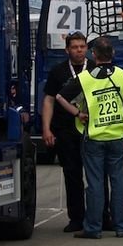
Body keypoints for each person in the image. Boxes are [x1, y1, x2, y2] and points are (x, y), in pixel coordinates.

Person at [55, 36, 123, 238]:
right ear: (113, 55)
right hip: (117, 134)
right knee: (117, 182)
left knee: (95, 183)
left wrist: (77, 113)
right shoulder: (122, 75)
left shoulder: (85, 78)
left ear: (94, 55)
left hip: (93, 135)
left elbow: (60, 97)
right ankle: (121, 226)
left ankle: (93, 227)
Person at [41, 31, 92, 233]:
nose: (79, 50)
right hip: (65, 129)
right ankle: (76, 218)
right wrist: (46, 129)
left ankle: (101, 215)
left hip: (92, 130)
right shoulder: (58, 72)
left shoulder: (95, 69)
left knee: (96, 174)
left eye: (82, 47)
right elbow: (49, 100)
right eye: (75, 47)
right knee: (72, 174)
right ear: (67, 50)